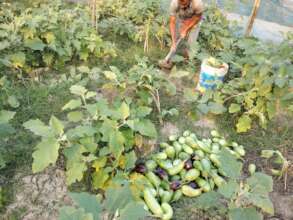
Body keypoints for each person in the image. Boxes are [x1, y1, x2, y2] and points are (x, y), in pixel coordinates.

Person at [159, 0, 204, 69]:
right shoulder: (174, 3)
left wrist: (186, 29)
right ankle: (169, 61)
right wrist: (173, 42)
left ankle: (187, 63)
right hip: (181, 19)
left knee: (191, 44)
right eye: (181, 3)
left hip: (194, 21)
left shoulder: (197, 4)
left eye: (185, 4)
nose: (182, 6)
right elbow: (172, 22)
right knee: (176, 41)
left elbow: (197, 18)